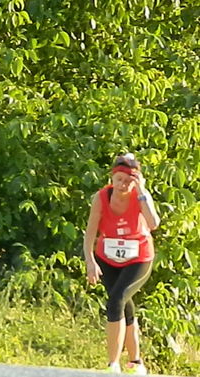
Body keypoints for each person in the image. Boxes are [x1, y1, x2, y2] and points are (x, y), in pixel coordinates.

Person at [84, 153, 160, 374]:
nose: (122, 185)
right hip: (107, 259)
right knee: (124, 305)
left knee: (116, 300)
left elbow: (154, 223)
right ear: (112, 178)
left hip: (138, 258)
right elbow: (90, 232)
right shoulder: (101, 197)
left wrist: (143, 192)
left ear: (136, 180)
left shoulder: (140, 196)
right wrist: (90, 261)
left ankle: (113, 364)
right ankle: (135, 362)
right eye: (119, 180)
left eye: (128, 181)